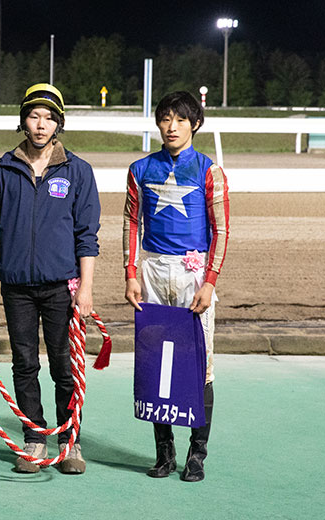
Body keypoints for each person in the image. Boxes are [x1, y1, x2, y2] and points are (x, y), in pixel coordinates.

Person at [0, 83, 101, 474]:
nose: (40, 125)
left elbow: (87, 236)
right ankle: (34, 438)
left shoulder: (78, 171)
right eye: (34, 116)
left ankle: (70, 442)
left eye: (49, 118)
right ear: (23, 120)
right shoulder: (3, 169)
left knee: (63, 366)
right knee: (24, 364)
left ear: (58, 124)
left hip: (61, 287)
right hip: (16, 287)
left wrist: (85, 289)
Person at [123, 90, 229, 482]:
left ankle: (196, 454)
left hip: (193, 276)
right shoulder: (140, 169)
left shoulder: (209, 171)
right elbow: (131, 222)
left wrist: (209, 282)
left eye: (181, 119)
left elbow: (221, 231)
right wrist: (131, 273)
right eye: (166, 118)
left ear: (195, 124)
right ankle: (163, 453)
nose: (172, 126)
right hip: (151, 272)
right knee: (156, 362)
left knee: (201, 366)